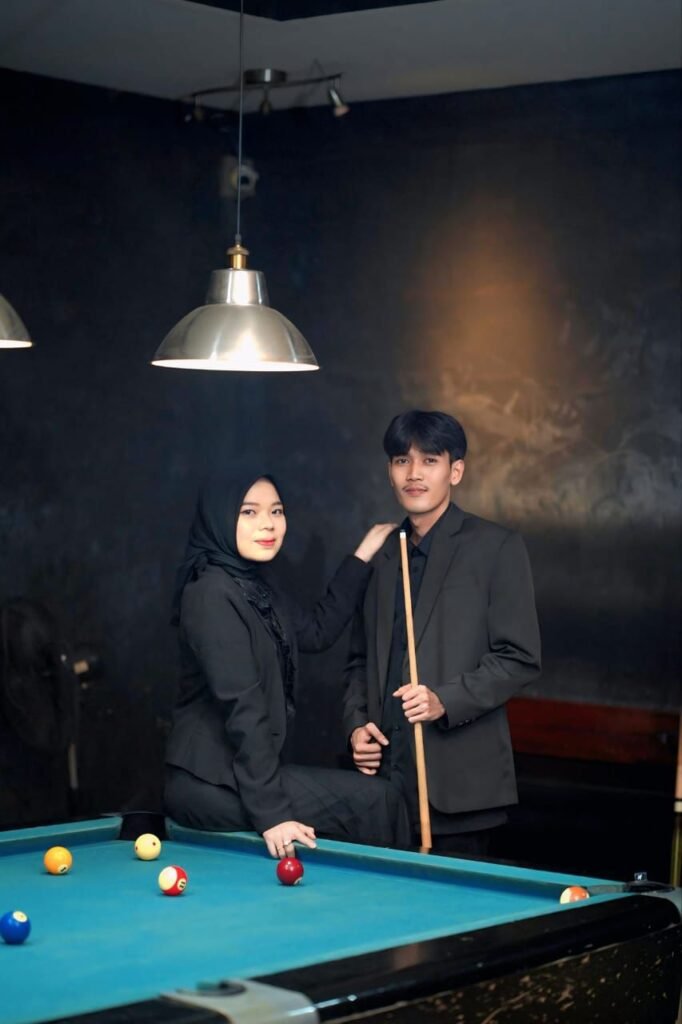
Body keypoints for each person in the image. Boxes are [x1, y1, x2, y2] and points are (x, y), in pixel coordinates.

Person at [164, 466, 411, 859]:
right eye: (249, 512)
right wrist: (273, 815)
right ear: (220, 517)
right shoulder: (210, 594)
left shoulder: (256, 585)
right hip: (209, 784)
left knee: (380, 798)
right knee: (376, 802)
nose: (268, 524)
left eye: (276, 511)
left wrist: (363, 554)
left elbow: (316, 630)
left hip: (242, 774)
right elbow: (243, 709)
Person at [344, 410, 541, 857]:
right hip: (381, 788)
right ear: (390, 471)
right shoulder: (380, 552)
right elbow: (358, 659)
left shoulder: (495, 547)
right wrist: (356, 726)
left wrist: (445, 700)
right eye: (402, 460)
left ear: (456, 471)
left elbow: (519, 658)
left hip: (459, 791)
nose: (413, 473)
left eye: (429, 460)